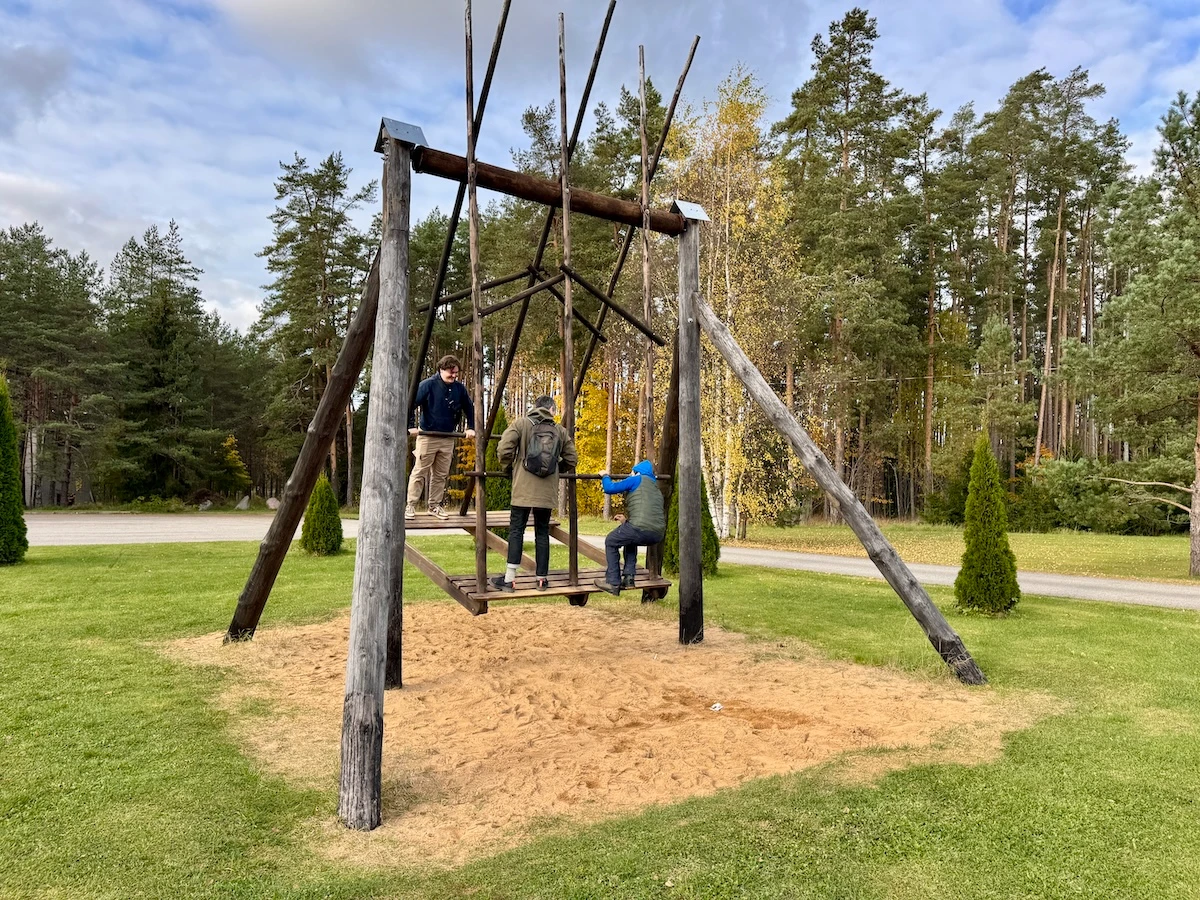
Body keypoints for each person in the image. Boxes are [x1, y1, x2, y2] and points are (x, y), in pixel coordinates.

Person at [490, 395, 577, 592]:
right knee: (542, 532)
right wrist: (555, 468)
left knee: (516, 531)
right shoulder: (560, 431)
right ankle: (541, 579)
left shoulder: (521, 424)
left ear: (535, 407)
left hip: (522, 488)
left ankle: (510, 579)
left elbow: (504, 449)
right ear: (552, 410)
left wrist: (508, 468)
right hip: (546, 492)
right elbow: (572, 458)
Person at [405, 355, 475, 520]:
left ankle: (434, 506)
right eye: (451, 373)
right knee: (420, 471)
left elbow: (469, 408)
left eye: (456, 373)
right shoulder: (428, 385)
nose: (454, 376)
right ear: (441, 370)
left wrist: (471, 427)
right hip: (428, 435)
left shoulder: (459, 388)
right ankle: (411, 505)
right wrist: (410, 426)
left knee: (441, 474)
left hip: (448, 436)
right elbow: (410, 404)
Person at [595, 460, 665, 594]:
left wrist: (605, 476)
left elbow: (610, 488)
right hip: (657, 534)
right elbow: (647, 513)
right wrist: (626, 521)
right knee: (630, 539)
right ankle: (628, 578)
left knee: (611, 541)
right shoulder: (656, 488)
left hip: (639, 528)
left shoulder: (636, 479)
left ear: (637, 472)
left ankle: (613, 582)